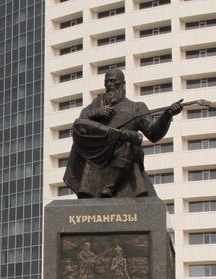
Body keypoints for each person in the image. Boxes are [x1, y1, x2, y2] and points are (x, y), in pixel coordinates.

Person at [62, 68, 183, 199]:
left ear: (123, 84)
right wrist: (97, 112)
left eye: (113, 81)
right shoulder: (95, 105)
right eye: (107, 82)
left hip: (124, 152)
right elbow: (80, 124)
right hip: (96, 152)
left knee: (128, 143)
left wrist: (166, 116)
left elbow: (153, 134)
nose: (110, 85)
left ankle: (109, 187)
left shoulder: (137, 107)